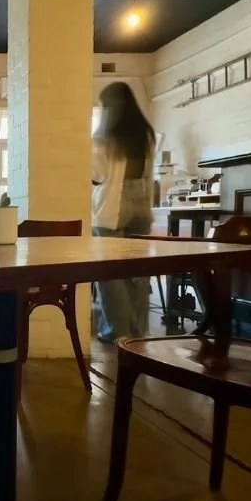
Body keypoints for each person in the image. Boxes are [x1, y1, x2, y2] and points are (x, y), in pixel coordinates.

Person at [92, 81, 155, 343]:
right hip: (141, 206)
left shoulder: (105, 137)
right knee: (136, 274)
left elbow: (97, 174)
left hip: (113, 209)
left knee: (109, 275)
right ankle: (137, 331)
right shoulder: (146, 133)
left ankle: (118, 331)